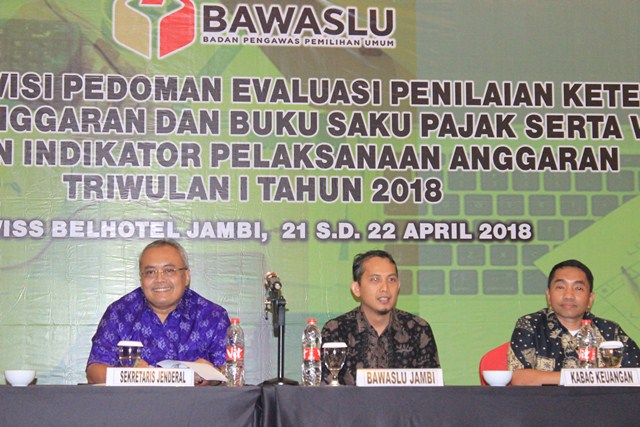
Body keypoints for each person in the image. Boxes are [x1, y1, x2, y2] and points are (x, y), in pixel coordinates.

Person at [86, 239, 230, 385]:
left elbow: (231, 371)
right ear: (141, 279)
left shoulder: (213, 316)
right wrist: (132, 375)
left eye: (169, 270)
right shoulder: (119, 313)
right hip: (133, 399)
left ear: (186, 276)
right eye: (150, 272)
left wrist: (211, 376)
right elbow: (94, 372)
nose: (160, 279)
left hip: (194, 400)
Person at [508, 259, 640, 385]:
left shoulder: (610, 331)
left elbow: (636, 374)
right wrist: (579, 377)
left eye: (578, 288)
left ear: (590, 299)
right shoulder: (530, 325)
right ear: (548, 295)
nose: (569, 295)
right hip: (547, 401)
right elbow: (519, 378)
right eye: (561, 287)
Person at [321, 250, 440, 385]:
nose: (385, 288)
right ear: (356, 288)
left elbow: (432, 392)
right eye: (375, 279)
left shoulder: (418, 330)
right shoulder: (337, 330)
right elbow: (326, 392)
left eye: (391, 280)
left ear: (398, 286)